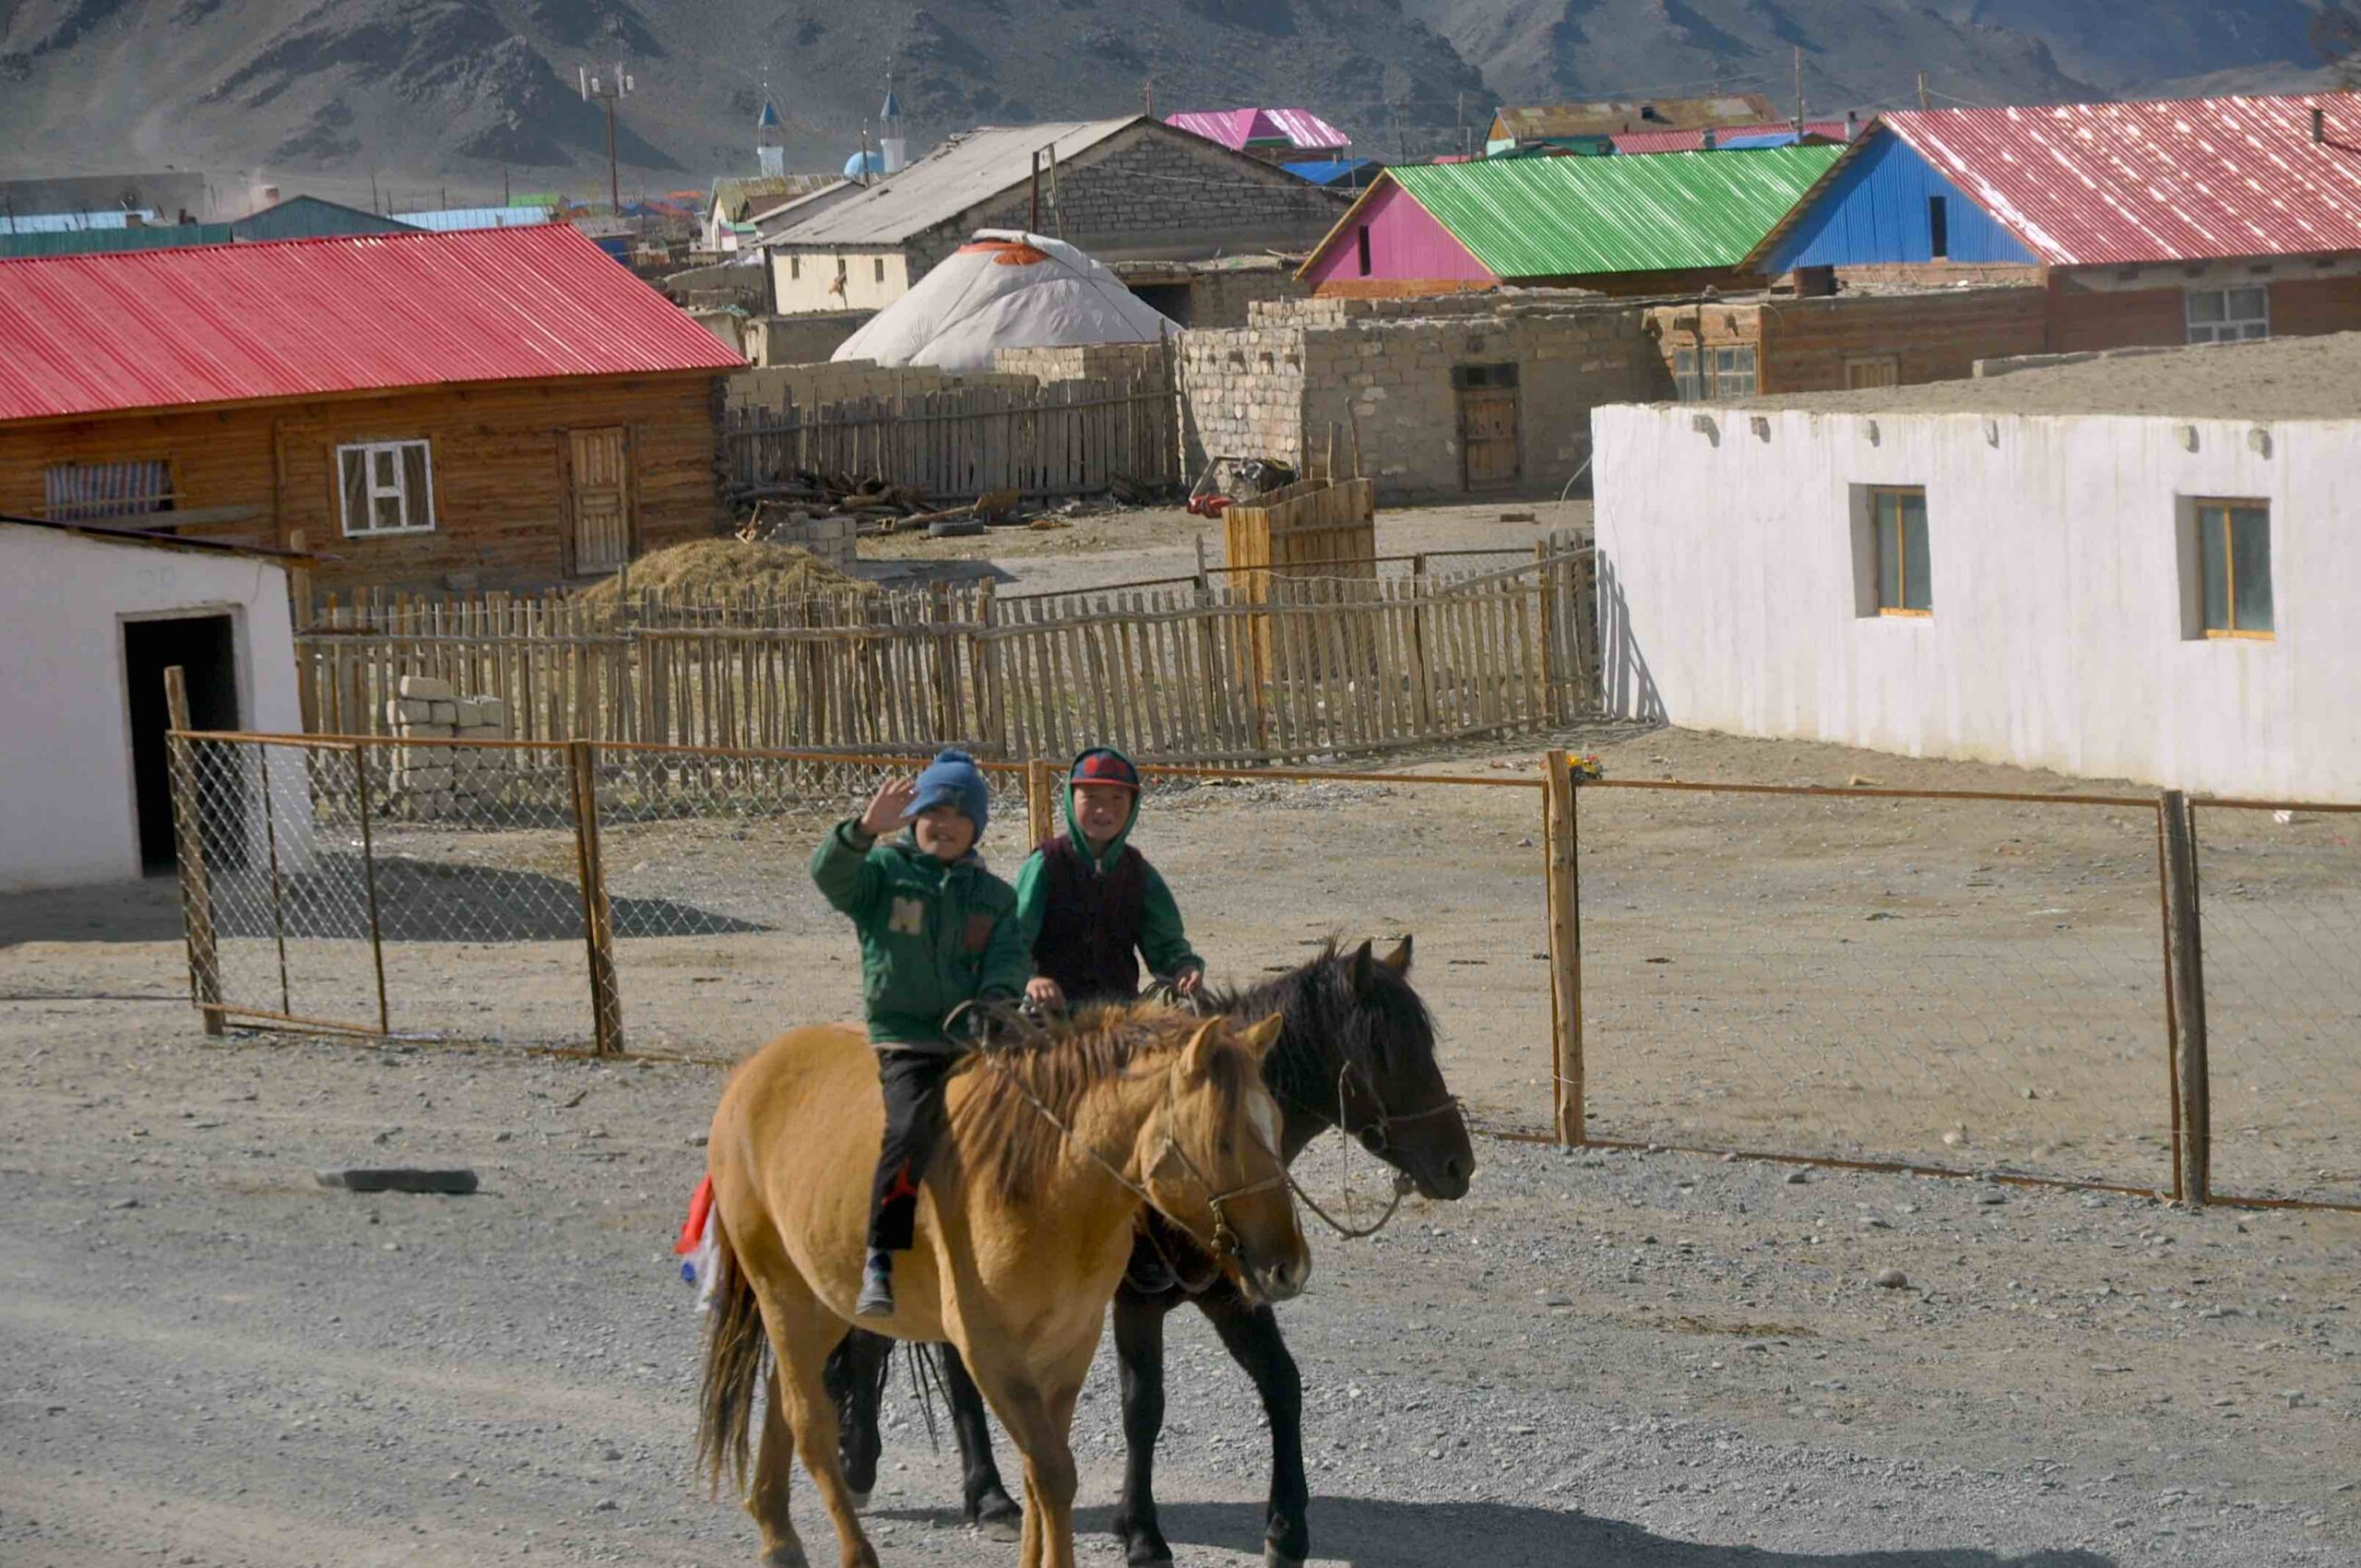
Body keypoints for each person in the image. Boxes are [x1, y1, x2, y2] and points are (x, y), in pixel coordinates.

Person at [811, 748, 1028, 1318]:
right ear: (914, 818)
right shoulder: (882, 875)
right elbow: (827, 876)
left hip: (973, 1039)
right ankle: (881, 1254)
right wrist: (861, 831)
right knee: (908, 1130)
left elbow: (1008, 958)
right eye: (934, 811)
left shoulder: (995, 896)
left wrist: (996, 1001)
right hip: (906, 1039)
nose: (945, 824)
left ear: (976, 826)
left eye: (960, 815)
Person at [1014, 747, 1203, 1012]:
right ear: (1070, 798)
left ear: (1133, 804)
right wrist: (1031, 980)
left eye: (1117, 798)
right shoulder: (1045, 865)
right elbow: (1011, 941)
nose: (1103, 810)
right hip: (1049, 1015)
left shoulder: (1139, 873)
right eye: (1090, 797)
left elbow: (1165, 941)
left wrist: (1182, 967)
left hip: (1118, 1017)